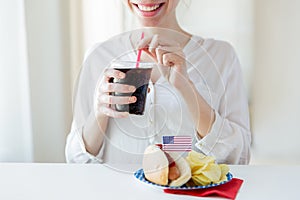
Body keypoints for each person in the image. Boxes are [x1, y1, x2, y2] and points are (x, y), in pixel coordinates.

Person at [65, 0, 251, 167]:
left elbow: (239, 157)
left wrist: (187, 88)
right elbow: (75, 159)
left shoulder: (221, 56)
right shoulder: (98, 56)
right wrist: (99, 113)